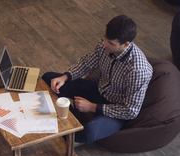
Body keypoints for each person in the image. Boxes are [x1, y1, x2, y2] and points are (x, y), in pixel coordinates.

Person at [42, 15, 153, 144]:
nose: (105, 44)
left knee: (89, 132)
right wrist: (65, 77)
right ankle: (72, 121)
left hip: (116, 109)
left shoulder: (138, 70)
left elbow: (130, 111)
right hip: (98, 91)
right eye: (105, 37)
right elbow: (87, 63)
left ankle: (69, 126)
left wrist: (92, 107)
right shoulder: (106, 44)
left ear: (126, 44)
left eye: (111, 43)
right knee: (49, 78)